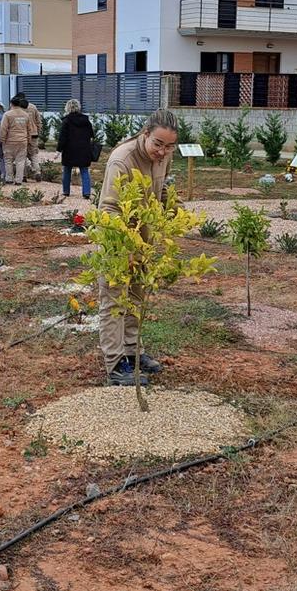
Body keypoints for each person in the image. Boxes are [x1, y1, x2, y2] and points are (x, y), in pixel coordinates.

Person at [96, 110, 178, 386]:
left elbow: (161, 188)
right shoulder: (122, 160)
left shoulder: (163, 157)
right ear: (145, 135)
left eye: (169, 146)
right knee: (114, 300)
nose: (163, 151)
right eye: (158, 144)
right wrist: (126, 247)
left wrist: (171, 211)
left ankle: (132, 351)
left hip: (144, 239)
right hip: (117, 240)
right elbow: (108, 208)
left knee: (136, 297)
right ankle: (115, 363)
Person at [57, 99, 95, 199]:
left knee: (67, 170)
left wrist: (59, 150)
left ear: (67, 107)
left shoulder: (66, 121)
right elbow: (92, 134)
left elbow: (62, 137)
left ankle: (66, 191)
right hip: (84, 149)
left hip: (70, 150)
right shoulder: (86, 120)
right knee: (84, 170)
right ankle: (86, 192)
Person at [0, 96, 32, 185]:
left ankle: (9, 179)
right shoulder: (26, 115)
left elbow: (3, 128)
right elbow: (29, 129)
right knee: (20, 161)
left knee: (8, 160)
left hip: (9, 141)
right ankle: (18, 180)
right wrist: (28, 140)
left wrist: (2, 139)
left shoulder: (7, 114)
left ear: (11, 104)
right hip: (22, 141)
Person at [17, 93, 42, 177]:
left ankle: (24, 175)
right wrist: (38, 131)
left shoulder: (17, 109)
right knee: (34, 154)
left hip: (22, 134)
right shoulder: (33, 107)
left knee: (22, 155)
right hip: (34, 134)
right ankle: (37, 172)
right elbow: (38, 121)